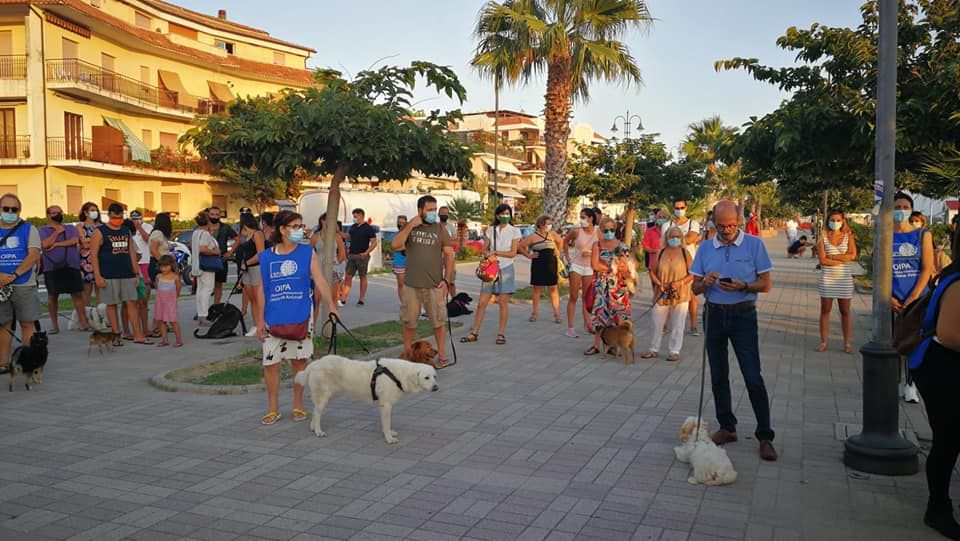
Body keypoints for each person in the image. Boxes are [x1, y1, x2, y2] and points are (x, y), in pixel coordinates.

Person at [691, 200, 777, 461]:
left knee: (752, 375)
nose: (726, 230)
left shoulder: (754, 244)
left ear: (739, 221)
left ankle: (765, 436)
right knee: (718, 375)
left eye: (731, 225)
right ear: (712, 222)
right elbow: (693, 288)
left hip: (743, 314)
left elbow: (766, 284)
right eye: (720, 226)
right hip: (714, 314)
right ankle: (727, 427)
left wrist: (744, 286)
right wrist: (704, 282)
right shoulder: (706, 247)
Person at [256, 210, 339, 425]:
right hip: (273, 318)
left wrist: (332, 306)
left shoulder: (306, 252)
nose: (299, 230)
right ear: (282, 230)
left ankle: (298, 405)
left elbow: (320, 281)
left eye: (300, 226)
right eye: (294, 226)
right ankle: (273, 408)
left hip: (300, 315)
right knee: (270, 364)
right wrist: (258, 321)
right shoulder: (266, 257)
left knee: (299, 364)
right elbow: (261, 290)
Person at [909, 227, 960, 539]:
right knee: (948, 439)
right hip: (943, 368)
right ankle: (938, 508)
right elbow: (951, 335)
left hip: (942, 365)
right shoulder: (957, 282)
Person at [392, 195, 455, 366]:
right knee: (409, 322)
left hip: (434, 285)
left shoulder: (440, 229)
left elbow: (449, 255)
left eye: (435, 209)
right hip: (411, 285)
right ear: (420, 211)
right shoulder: (411, 227)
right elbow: (395, 245)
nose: (433, 213)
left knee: (438, 321)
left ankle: (441, 355)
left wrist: (447, 280)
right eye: (429, 210)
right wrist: (410, 225)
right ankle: (407, 354)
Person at [893, 192, 935, 403]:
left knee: (913, 343)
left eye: (905, 207)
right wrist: (887, 297)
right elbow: (878, 269)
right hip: (892, 299)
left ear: (911, 209)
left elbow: (927, 268)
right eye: (897, 206)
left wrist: (914, 296)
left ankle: (911, 385)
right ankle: (893, 382)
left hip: (916, 300)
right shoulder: (884, 235)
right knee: (894, 343)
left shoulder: (922, 235)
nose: (901, 210)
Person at [461, 204, 522, 346]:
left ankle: (501, 333)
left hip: (506, 268)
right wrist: (487, 254)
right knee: (482, 302)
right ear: (497, 215)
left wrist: (495, 253)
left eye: (507, 213)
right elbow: (484, 248)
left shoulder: (514, 231)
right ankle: (474, 332)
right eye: (502, 214)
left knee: (503, 303)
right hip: (491, 268)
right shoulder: (491, 230)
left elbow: (513, 252)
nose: (505, 216)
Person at [90, 203, 149, 346]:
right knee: (111, 305)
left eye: (120, 217)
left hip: (127, 273)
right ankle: (116, 335)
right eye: (115, 217)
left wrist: (136, 274)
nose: (118, 220)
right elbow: (94, 255)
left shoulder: (125, 231)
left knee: (132, 303)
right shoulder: (100, 232)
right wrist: (97, 276)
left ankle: (138, 335)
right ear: (109, 216)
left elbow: (132, 253)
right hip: (108, 274)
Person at [0, 194, 41, 372]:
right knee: (4, 324)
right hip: (1, 284)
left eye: (14, 209)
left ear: (19, 211)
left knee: (27, 323)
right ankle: (3, 363)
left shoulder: (29, 229)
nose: (10, 212)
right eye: (6, 209)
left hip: (23, 283)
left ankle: (28, 362)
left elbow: (33, 255)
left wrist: (14, 274)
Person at [584, 217, 634, 356]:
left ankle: (615, 345)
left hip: (619, 286)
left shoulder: (622, 245)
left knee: (618, 314)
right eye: (606, 230)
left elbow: (627, 266)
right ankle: (596, 344)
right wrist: (612, 268)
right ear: (601, 230)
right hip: (602, 284)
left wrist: (617, 268)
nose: (609, 232)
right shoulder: (597, 245)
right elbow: (594, 265)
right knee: (600, 314)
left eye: (612, 229)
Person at [643, 226, 693, 361]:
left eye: (677, 237)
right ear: (666, 238)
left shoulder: (685, 253)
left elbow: (692, 274)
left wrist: (680, 283)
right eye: (672, 237)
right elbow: (651, 271)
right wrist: (659, 284)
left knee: (678, 323)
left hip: (680, 293)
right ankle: (653, 348)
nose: (674, 239)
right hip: (662, 292)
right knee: (656, 322)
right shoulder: (660, 252)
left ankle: (674, 350)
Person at [39, 204, 89, 333]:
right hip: (52, 267)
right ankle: (54, 325)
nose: (59, 214)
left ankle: (83, 322)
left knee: (77, 294)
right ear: (49, 215)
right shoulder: (43, 230)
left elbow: (74, 240)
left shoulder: (69, 227)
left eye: (60, 212)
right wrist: (56, 232)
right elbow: (44, 244)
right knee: (52, 296)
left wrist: (56, 244)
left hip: (71, 264)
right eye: (55, 212)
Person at [816, 210, 858, 354]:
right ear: (828, 221)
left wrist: (832, 257)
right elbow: (822, 260)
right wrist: (841, 258)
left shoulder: (848, 237)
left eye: (838, 220)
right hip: (827, 279)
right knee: (825, 310)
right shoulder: (823, 238)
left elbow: (852, 255)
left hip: (844, 279)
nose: (835, 222)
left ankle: (847, 343)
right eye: (832, 220)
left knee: (845, 311)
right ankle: (824, 341)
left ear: (843, 221)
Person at [561, 208, 599, 338]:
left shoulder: (597, 232)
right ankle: (570, 327)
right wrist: (567, 257)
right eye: (581, 217)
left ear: (591, 218)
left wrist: (593, 254)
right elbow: (564, 242)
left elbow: (601, 248)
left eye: (584, 217)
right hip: (576, 265)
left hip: (589, 266)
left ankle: (587, 324)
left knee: (586, 298)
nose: (582, 220)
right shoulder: (577, 231)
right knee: (574, 296)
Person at [520, 215, 563, 323]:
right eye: (547, 223)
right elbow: (520, 246)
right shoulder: (533, 236)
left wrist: (558, 250)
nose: (549, 226)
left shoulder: (552, 234)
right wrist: (529, 255)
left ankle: (557, 314)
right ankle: (534, 313)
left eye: (550, 223)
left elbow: (561, 241)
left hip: (551, 264)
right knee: (537, 290)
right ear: (541, 224)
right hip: (538, 264)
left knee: (553, 289)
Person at [237, 212, 267, 336]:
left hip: (256, 268)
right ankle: (256, 324)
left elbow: (261, 253)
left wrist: (247, 262)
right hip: (246, 269)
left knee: (259, 297)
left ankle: (262, 323)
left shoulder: (257, 234)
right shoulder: (246, 236)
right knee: (252, 298)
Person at [341, 208, 377, 305]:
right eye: (354, 216)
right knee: (348, 276)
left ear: (361, 215)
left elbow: (374, 242)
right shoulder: (353, 227)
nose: (354, 218)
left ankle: (361, 298)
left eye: (355, 216)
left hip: (362, 256)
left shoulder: (368, 228)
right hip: (352, 255)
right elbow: (348, 236)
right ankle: (343, 298)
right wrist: (338, 231)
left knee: (362, 276)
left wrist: (366, 252)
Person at [190, 211, 220, 326]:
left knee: (200, 290)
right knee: (207, 290)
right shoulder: (205, 234)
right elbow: (202, 248)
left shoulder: (196, 233)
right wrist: (214, 252)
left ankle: (200, 313)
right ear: (207, 222)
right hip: (207, 266)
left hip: (198, 265)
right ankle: (204, 315)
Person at [310, 213, 346, 308]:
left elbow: (342, 254)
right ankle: (313, 322)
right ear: (322, 220)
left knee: (333, 298)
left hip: (333, 269)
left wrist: (335, 264)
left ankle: (333, 320)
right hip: (318, 270)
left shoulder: (337, 237)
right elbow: (308, 253)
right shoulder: (315, 237)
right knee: (316, 299)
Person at [128, 211, 153, 337]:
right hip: (132, 264)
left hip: (145, 260)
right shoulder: (128, 229)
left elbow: (148, 239)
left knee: (145, 291)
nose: (135, 220)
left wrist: (139, 227)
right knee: (132, 299)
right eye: (133, 218)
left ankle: (144, 308)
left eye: (137, 218)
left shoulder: (148, 227)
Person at [147, 213, 172, 337]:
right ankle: (156, 326)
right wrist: (164, 265)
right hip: (159, 267)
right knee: (162, 298)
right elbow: (153, 249)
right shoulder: (157, 234)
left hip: (161, 266)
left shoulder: (161, 234)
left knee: (164, 297)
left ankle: (162, 323)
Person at [207, 206, 237, 306]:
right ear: (208, 215)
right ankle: (203, 310)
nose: (214, 217)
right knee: (206, 286)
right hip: (206, 259)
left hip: (221, 260)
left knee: (218, 285)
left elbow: (237, 239)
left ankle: (216, 307)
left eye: (216, 214)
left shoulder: (225, 227)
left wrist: (230, 252)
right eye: (212, 214)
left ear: (220, 215)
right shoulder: (203, 227)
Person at [152, 254, 182, 348]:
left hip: (170, 302)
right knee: (161, 321)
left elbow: (178, 290)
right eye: (161, 266)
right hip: (160, 302)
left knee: (173, 321)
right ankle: (165, 340)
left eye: (166, 266)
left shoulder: (175, 278)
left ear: (171, 266)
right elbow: (157, 287)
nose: (163, 269)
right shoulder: (158, 277)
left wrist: (173, 299)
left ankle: (178, 340)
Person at [76, 202, 101, 307]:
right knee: (86, 291)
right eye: (92, 210)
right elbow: (84, 243)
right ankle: (86, 317)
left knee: (101, 291)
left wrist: (90, 241)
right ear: (85, 212)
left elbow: (103, 242)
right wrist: (96, 242)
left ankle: (102, 317)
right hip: (86, 261)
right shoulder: (80, 226)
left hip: (100, 259)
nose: (94, 212)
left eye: (96, 210)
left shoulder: (101, 226)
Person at [438, 206, 458, 297]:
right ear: (438, 214)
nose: (444, 215)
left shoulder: (451, 227)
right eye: (442, 213)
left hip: (449, 256)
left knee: (451, 281)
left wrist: (444, 241)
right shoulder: (435, 226)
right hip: (437, 257)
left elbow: (455, 241)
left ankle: (455, 300)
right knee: (437, 280)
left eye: (446, 213)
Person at [391, 215, 408, 303]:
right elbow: (393, 247)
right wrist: (404, 247)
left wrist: (400, 247)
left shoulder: (410, 234)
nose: (400, 224)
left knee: (411, 285)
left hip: (410, 263)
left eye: (402, 223)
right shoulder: (395, 235)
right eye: (399, 222)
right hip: (399, 263)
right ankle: (403, 303)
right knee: (401, 284)